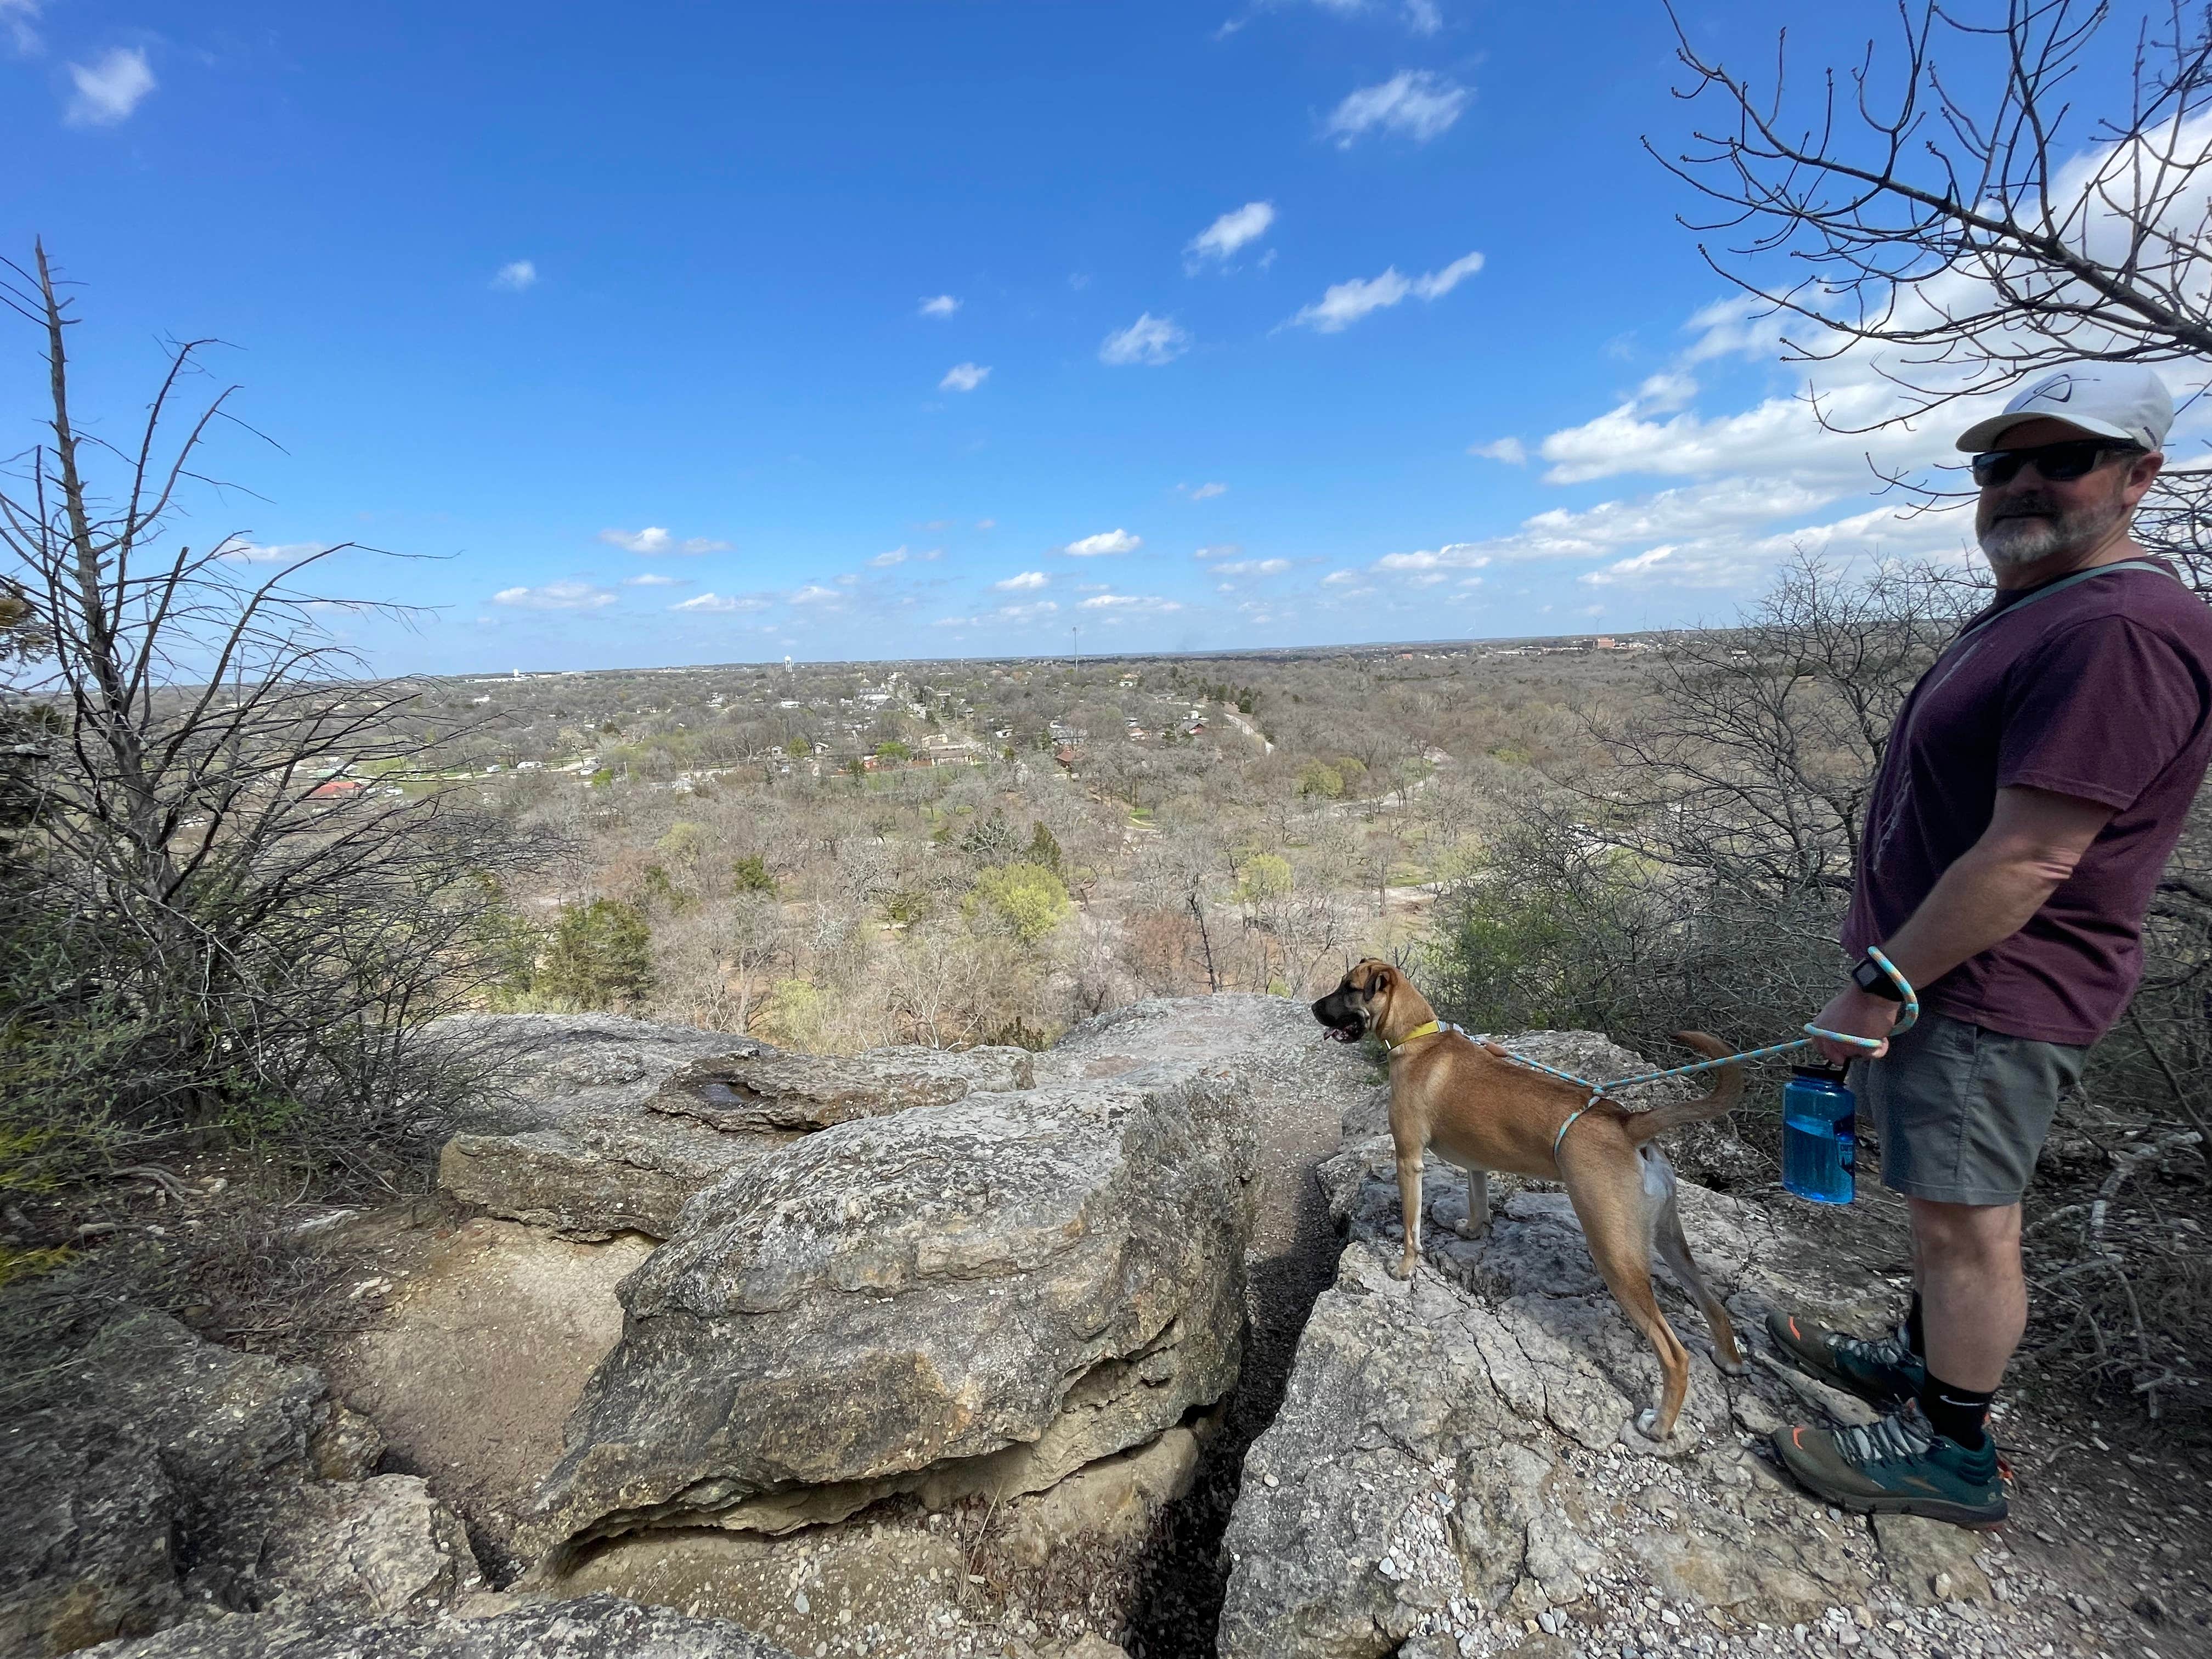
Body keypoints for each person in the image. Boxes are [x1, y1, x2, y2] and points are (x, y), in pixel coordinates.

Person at [1768, 363, 2212, 1526]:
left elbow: (2031, 858)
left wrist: (1884, 982)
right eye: (1997, 464)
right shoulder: (2049, 603)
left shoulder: (2121, 626)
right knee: (1945, 1208)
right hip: (1951, 979)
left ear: (2139, 476)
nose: (2019, 483)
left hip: (1993, 985)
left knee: (1967, 1220)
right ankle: (1924, 1367)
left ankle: (1948, 1450)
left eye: (2059, 459)